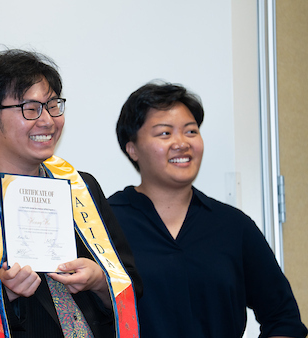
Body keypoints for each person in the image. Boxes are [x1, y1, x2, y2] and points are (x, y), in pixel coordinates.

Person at [0, 49, 142, 338]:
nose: (47, 120)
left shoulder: (83, 187)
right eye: (30, 108)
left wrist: (99, 281)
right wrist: (2, 294)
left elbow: (132, 285)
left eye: (53, 105)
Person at [108, 81, 307, 338]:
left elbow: (284, 318)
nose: (181, 143)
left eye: (191, 132)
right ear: (132, 148)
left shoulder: (234, 226)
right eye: (165, 133)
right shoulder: (106, 222)